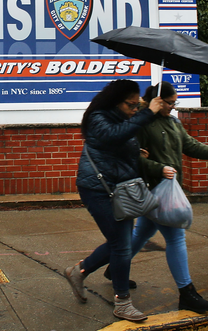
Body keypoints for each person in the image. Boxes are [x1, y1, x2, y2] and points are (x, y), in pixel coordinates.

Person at [132, 82, 208, 313]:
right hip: (154, 189)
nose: (173, 107)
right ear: (159, 101)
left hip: (169, 189)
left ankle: (114, 266)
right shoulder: (143, 122)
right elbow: (133, 158)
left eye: (175, 103)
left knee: (142, 233)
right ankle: (187, 293)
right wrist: (158, 168)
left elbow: (192, 146)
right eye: (170, 103)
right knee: (176, 238)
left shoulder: (173, 122)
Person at [65, 79, 163, 322]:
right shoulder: (99, 117)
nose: (134, 109)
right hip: (98, 189)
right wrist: (149, 112)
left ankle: (79, 271)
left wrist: (135, 152)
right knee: (121, 244)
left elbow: (116, 143)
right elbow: (112, 136)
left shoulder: (121, 117)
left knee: (122, 242)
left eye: (137, 105)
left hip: (117, 188)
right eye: (131, 105)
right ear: (116, 102)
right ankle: (122, 302)